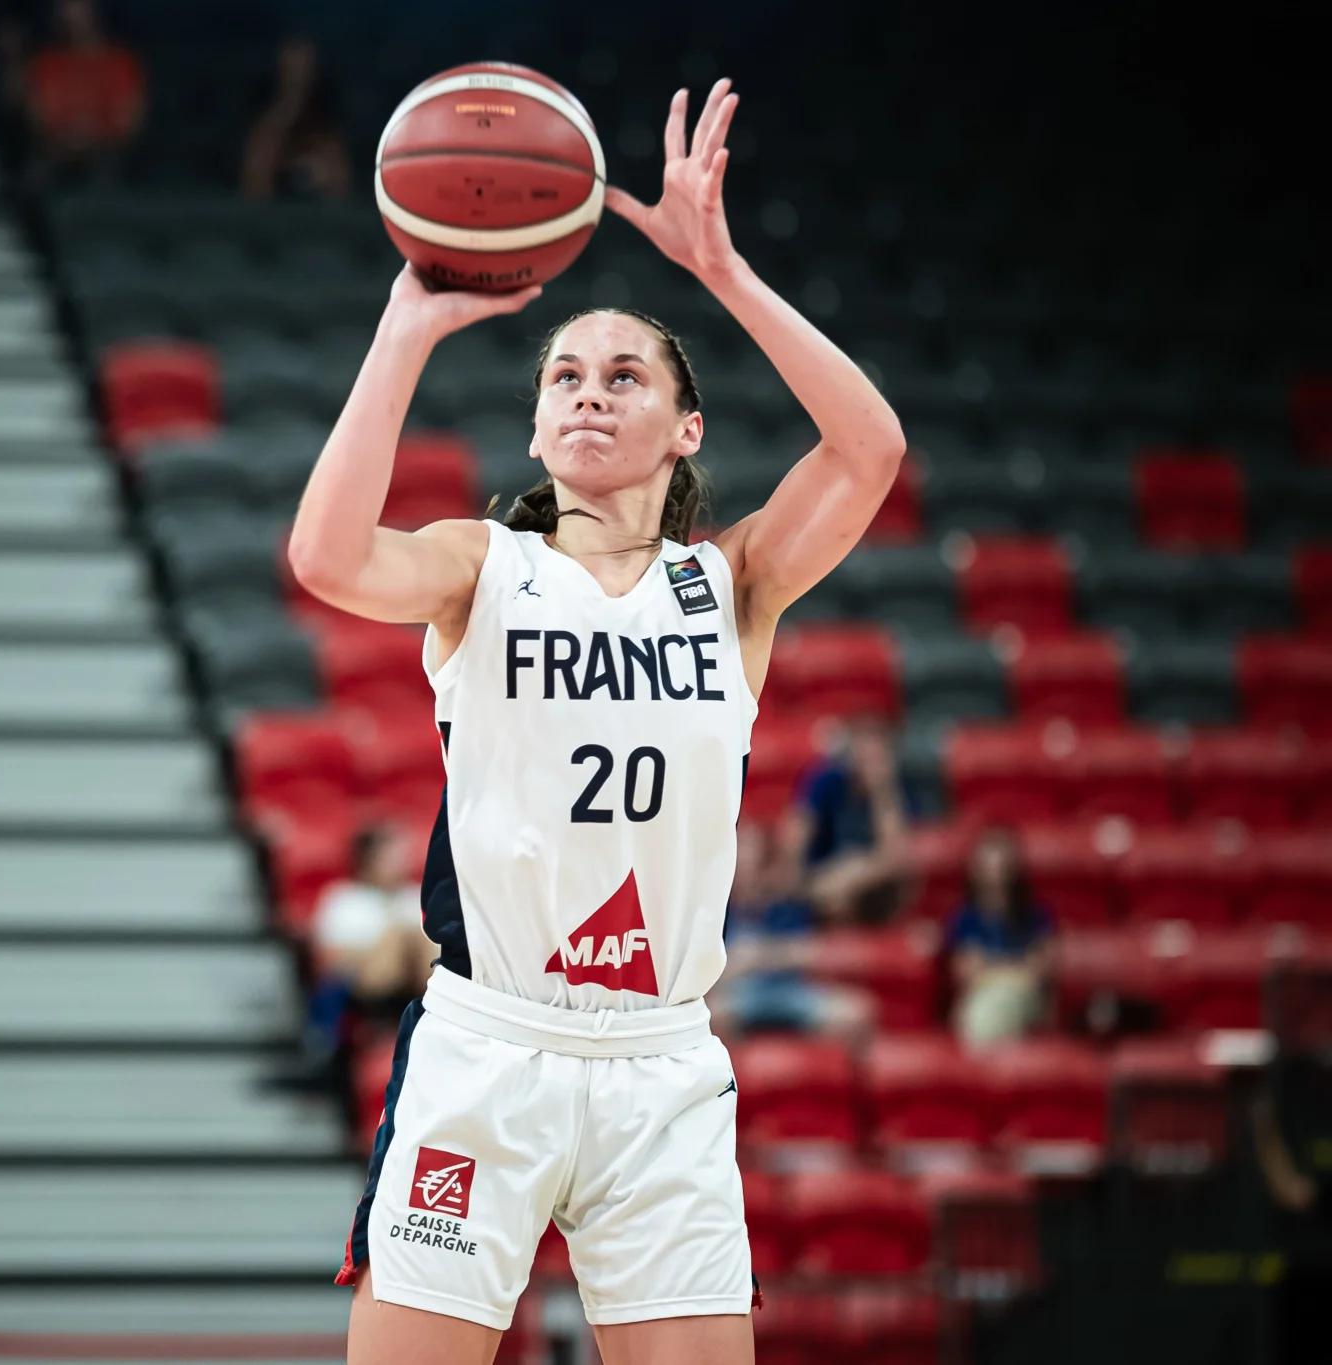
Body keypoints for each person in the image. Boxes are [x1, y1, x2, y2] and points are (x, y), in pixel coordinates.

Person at [288, 78, 907, 1364]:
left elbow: (868, 452)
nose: (586, 392)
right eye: (563, 374)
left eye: (624, 376)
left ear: (684, 429)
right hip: (488, 1050)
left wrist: (724, 272)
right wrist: (404, 331)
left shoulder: (726, 583)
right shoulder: (478, 567)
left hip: (658, 1066)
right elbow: (328, 556)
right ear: (533, 422)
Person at [269, 822, 434, 1096]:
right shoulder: (344, 899)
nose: (400, 863)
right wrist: (386, 945)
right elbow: (333, 958)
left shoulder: (414, 896)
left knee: (415, 936)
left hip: (415, 984)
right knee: (401, 933)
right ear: (367, 859)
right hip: (364, 987)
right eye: (390, 856)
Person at [709, 824, 874, 1042]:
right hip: (739, 995)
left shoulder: (787, 900)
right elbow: (714, 975)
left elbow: (807, 953)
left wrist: (758, 957)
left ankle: (822, 1073)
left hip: (791, 990)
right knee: (711, 1017)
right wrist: (773, 956)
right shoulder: (716, 909)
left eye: (751, 856)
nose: (744, 864)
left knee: (858, 1012)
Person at [781, 714, 916, 924]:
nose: (868, 752)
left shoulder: (895, 791)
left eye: (876, 747)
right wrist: (802, 877)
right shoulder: (827, 780)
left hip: (873, 894)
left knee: (857, 869)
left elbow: (894, 858)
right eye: (862, 742)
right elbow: (796, 833)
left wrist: (881, 791)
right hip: (821, 882)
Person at [9, 0, 145, 189]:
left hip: (107, 153)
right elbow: (38, 118)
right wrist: (67, 137)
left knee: (109, 171)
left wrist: (92, 137)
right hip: (56, 152)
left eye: (79, 8)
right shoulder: (46, 63)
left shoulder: (121, 62)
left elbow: (129, 122)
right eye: (65, 9)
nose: (71, 16)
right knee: (35, 170)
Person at [944, 825, 1055, 1047]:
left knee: (996, 1006)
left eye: (1000, 865)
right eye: (987, 865)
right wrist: (1016, 970)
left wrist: (991, 971)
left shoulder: (1036, 917)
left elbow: (1039, 973)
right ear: (975, 870)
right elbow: (968, 975)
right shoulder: (963, 920)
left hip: (1026, 1003)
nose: (994, 873)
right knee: (985, 1009)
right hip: (981, 1000)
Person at [240, 37, 352, 201]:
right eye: (290, 71)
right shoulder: (262, 122)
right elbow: (253, 183)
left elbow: (340, 186)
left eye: (304, 70)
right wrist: (288, 105)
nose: (298, 77)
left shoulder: (326, 127)